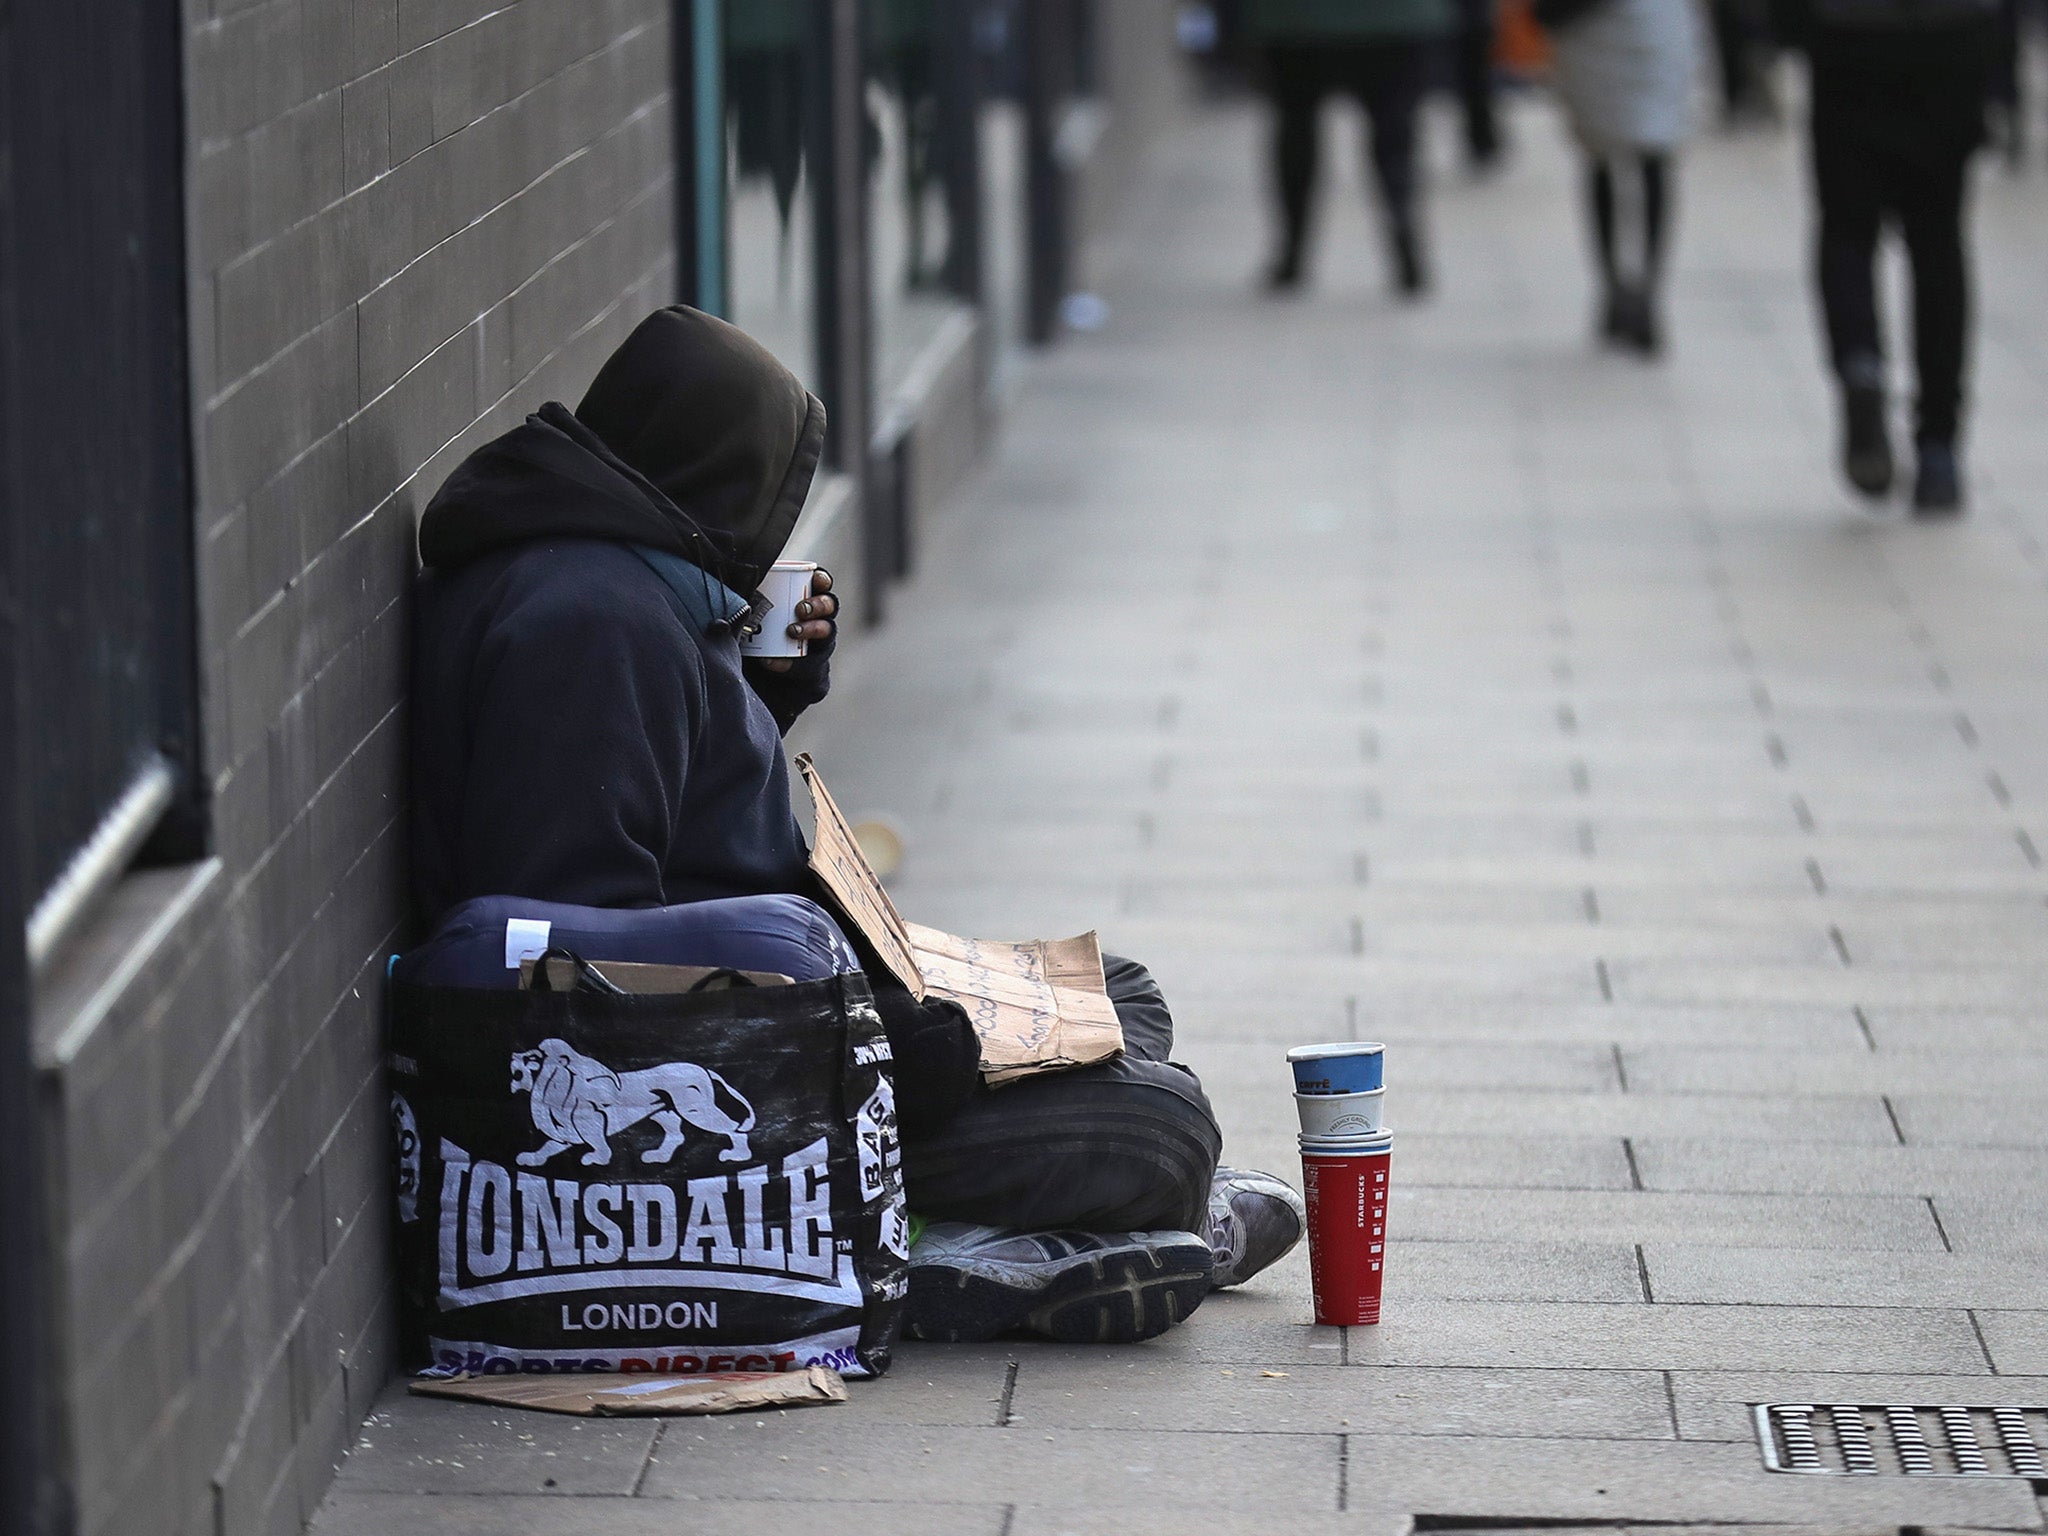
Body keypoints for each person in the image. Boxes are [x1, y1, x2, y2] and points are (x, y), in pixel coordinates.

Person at [408, 306, 1306, 1345]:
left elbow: (663, 822)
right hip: (752, 1068)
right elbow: (587, 957)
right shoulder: (590, 627)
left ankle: (1066, 1203)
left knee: (1117, 994)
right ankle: (933, 1239)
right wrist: (885, 1043)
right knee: (1158, 1130)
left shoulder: (614, 584)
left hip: (784, 1009)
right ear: (726, 480)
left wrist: (759, 694)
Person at [1775, 0, 1996, 513]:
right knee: (1938, 243)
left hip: (1847, 40)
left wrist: (1792, 28)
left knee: (1847, 229)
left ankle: (1860, 362)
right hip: (1951, 41)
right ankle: (1939, 445)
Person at [1247, 0, 1455, 295]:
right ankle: (1404, 239)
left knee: (1297, 128)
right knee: (1395, 134)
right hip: (1394, 18)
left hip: (1297, 19)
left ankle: (1292, 252)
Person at [1539, 0, 1704, 355]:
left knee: (1607, 157)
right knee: (1648, 157)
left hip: (1600, 27)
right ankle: (1642, 290)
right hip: (1648, 24)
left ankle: (1619, 289)